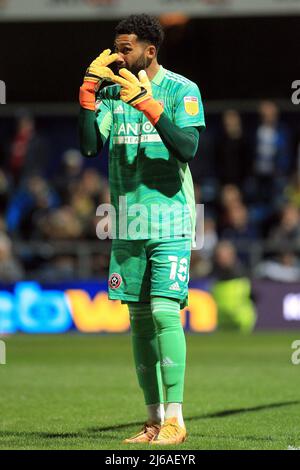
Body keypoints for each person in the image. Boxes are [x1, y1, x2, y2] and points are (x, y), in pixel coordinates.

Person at [78, 14, 205, 445]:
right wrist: (89, 95)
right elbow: (90, 146)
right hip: (126, 221)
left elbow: (188, 147)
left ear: (150, 51)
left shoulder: (181, 90)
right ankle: (152, 421)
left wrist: (149, 105)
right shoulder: (113, 94)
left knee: (164, 312)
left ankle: (176, 420)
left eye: (126, 47)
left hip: (170, 219)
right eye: (116, 47)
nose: (118, 55)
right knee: (138, 322)